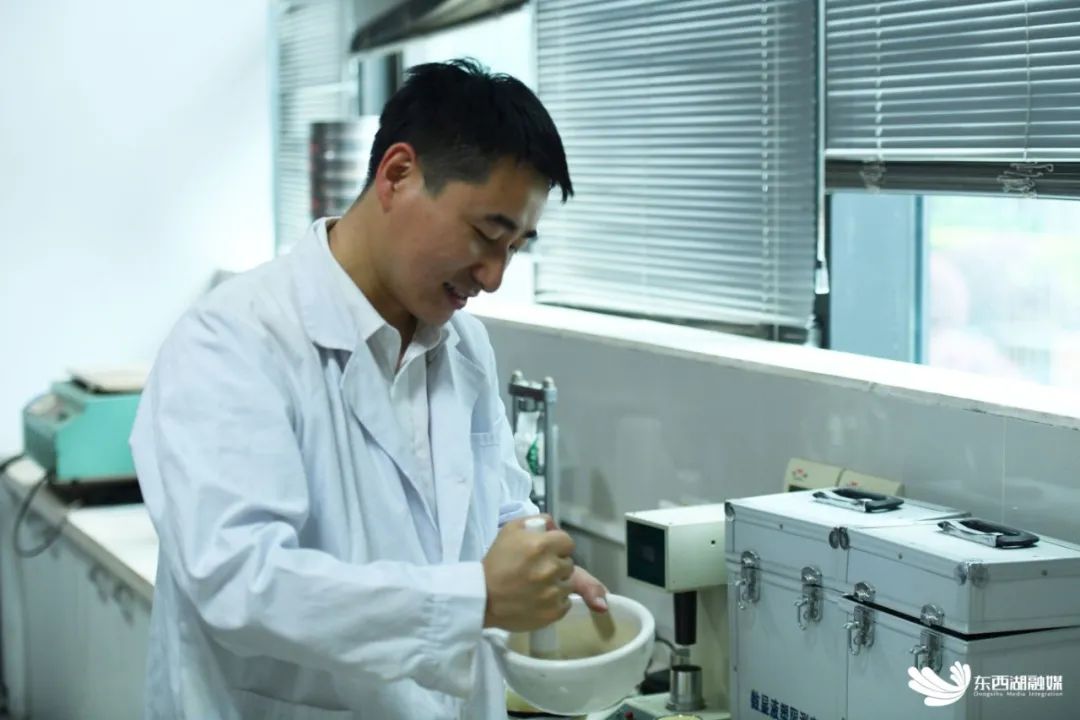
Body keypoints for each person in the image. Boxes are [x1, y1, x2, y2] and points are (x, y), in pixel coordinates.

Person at [130, 58, 609, 719]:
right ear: (398, 174)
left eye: (517, 246)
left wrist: (538, 561)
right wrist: (477, 597)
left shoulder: (463, 346)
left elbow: (494, 504)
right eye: (486, 234)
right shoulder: (233, 340)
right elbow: (238, 581)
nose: (494, 276)